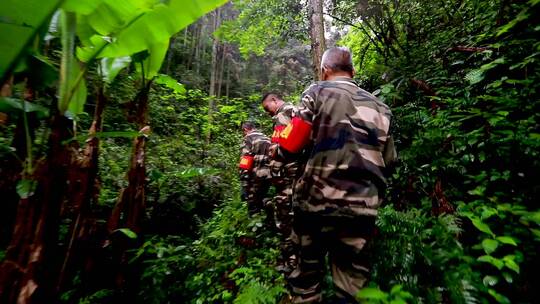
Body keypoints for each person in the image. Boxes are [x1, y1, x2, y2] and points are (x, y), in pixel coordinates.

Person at [278, 47, 397, 303]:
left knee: (306, 281)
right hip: (361, 210)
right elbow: (389, 162)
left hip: (314, 207)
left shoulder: (316, 92)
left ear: (324, 71)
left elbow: (290, 147)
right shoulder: (381, 107)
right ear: (353, 72)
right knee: (353, 288)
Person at [261, 93, 299, 273]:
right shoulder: (296, 112)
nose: (267, 112)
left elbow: (282, 149)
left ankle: (291, 262)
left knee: (286, 218)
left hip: (287, 178)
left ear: (274, 100)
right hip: (296, 176)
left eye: (267, 108)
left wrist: (274, 173)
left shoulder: (284, 114)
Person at [239, 121, 272, 214]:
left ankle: (255, 221)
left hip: (255, 174)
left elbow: (246, 159)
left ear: (245, 129)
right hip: (269, 173)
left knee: (252, 200)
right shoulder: (266, 138)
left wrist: (244, 179)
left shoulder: (249, 138)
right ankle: (268, 204)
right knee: (262, 195)